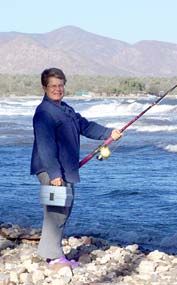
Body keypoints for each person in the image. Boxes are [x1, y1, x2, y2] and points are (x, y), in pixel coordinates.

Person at [30, 67, 122, 268]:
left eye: (60, 85)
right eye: (53, 85)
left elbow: (85, 126)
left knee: (62, 209)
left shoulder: (66, 109)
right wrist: (54, 174)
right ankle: (53, 258)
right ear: (45, 87)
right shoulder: (44, 112)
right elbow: (45, 146)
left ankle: (51, 253)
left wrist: (109, 133)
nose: (57, 89)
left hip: (65, 170)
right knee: (56, 212)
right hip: (51, 170)